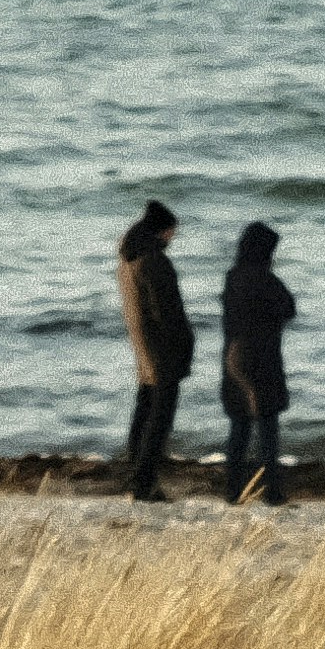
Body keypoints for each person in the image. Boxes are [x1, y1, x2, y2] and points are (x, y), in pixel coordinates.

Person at [114, 202, 194, 499]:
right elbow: (168, 313)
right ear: (161, 230)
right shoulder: (155, 262)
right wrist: (186, 343)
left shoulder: (128, 261)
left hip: (143, 346)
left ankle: (135, 474)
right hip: (163, 348)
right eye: (172, 231)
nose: (173, 237)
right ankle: (144, 484)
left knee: (144, 411)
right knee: (160, 419)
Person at [216, 220, 295, 504]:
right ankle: (272, 491)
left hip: (235, 359)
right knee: (268, 430)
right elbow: (288, 306)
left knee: (239, 428)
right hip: (263, 360)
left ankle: (233, 490)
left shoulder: (232, 278)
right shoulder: (266, 280)